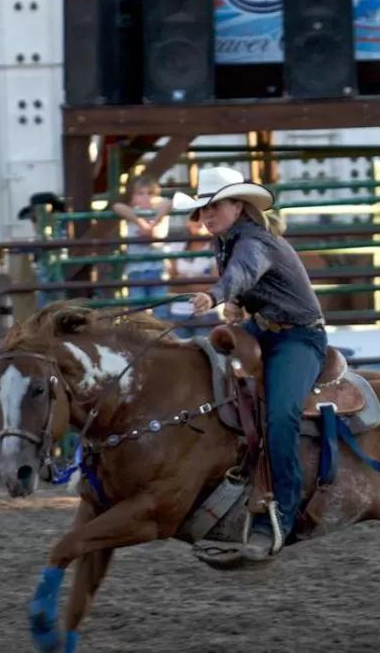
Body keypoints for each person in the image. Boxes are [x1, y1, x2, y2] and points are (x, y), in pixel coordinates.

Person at [176, 165, 328, 563]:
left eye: (214, 206)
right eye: (203, 209)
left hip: (299, 337)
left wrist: (216, 296)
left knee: (281, 415)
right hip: (264, 331)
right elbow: (247, 283)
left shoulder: (254, 240)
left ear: (238, 206)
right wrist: (236, 304)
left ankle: (284, 512)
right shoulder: (227, 240)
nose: (206, 215)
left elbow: (244, 271)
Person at [111, 174, 172, 303]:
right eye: (140, 193)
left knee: (160, 308)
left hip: (157, 269)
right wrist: (142, 224)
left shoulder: (160, 212)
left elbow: (169, 203)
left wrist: (152, 225)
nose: (146, 197)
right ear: (133, 198)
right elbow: (117, 206)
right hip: (135, 270)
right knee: (137, 309)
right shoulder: (132, 213)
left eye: (150, 193)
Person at [165, 213, 222, 338]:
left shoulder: (217, 248)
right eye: (195, 218)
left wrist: (183, 281)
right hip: (179, 313)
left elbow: (215, 286)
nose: (199, 222)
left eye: (203, 217)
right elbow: (170, 285)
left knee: (206, 348)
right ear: (188, 223)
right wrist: (198, 283)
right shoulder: (177, 246)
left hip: (207, 312)